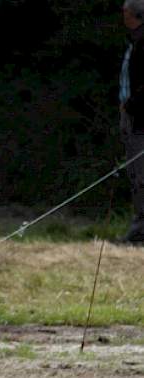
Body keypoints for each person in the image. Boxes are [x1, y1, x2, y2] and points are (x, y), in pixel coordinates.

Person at [120, 0, 144, 244]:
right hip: (133, 117)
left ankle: (140, 233)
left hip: (139, 119)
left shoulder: (142, 42)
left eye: (124, 12)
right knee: (136, 175)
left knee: (141, 176)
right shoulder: (135, 39)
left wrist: (130, 106)